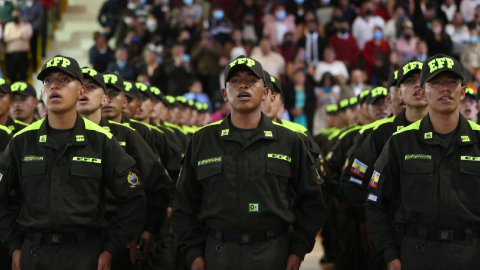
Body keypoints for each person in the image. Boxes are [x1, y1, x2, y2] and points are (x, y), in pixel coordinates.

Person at [172, 55, 326, 270]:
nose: (243, 85)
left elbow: (311, 201)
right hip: (218, 254)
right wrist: (194, 253)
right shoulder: (203, 140)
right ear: (225, 94)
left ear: (265, 93)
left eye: (251, 80)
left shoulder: (289, 141)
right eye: (235, 81)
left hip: (274, 254)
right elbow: (184, 202)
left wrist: (297, 251)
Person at [0, 55, 146, 270]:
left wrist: (111, 249)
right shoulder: (22, 141)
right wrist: (13, 245)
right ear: (42, 92)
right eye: (48, 81)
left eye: (65, 80)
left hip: (85, 254)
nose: (54, 86)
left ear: (80, 92)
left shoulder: (101, 141)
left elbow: (134, 197)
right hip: (34, 252)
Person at [366, 54, 480, 270]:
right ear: (423, 92)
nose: (445, 88)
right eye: (436, 82)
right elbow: (375, 202)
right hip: (417, 255)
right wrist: (390, 255)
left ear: (463, 91)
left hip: (471, 255)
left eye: (452, 82)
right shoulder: (401, 142)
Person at [78, 67, 171, 269]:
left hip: (115, 235)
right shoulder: (51, 137)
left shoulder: (126, 135)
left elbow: (159, 185)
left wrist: (146, 229)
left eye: (91, 87)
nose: (83, 92)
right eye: (79, 87)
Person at [3, 9, 32, 82]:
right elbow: (6, 37)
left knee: (23, 74)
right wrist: (19, 35)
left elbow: (27, 36)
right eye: (15, 15)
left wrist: (21, 26)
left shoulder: (26, 25)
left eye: (18, 15)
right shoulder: (8, 25)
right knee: (11, 74)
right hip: (11, 54)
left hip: (23, 54)